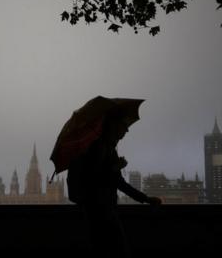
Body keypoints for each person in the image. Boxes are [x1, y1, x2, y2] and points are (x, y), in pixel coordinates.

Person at [67, 110, 162, 258]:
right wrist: (115, 167)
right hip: (100, 210)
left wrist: (145, 199)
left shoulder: (108, 148)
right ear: (113, 126)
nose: (127, 130)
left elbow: (117, 182)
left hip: (101, 208)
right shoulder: (99, 147)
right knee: (115, 249)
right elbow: (96, 178)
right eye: (124, 125)